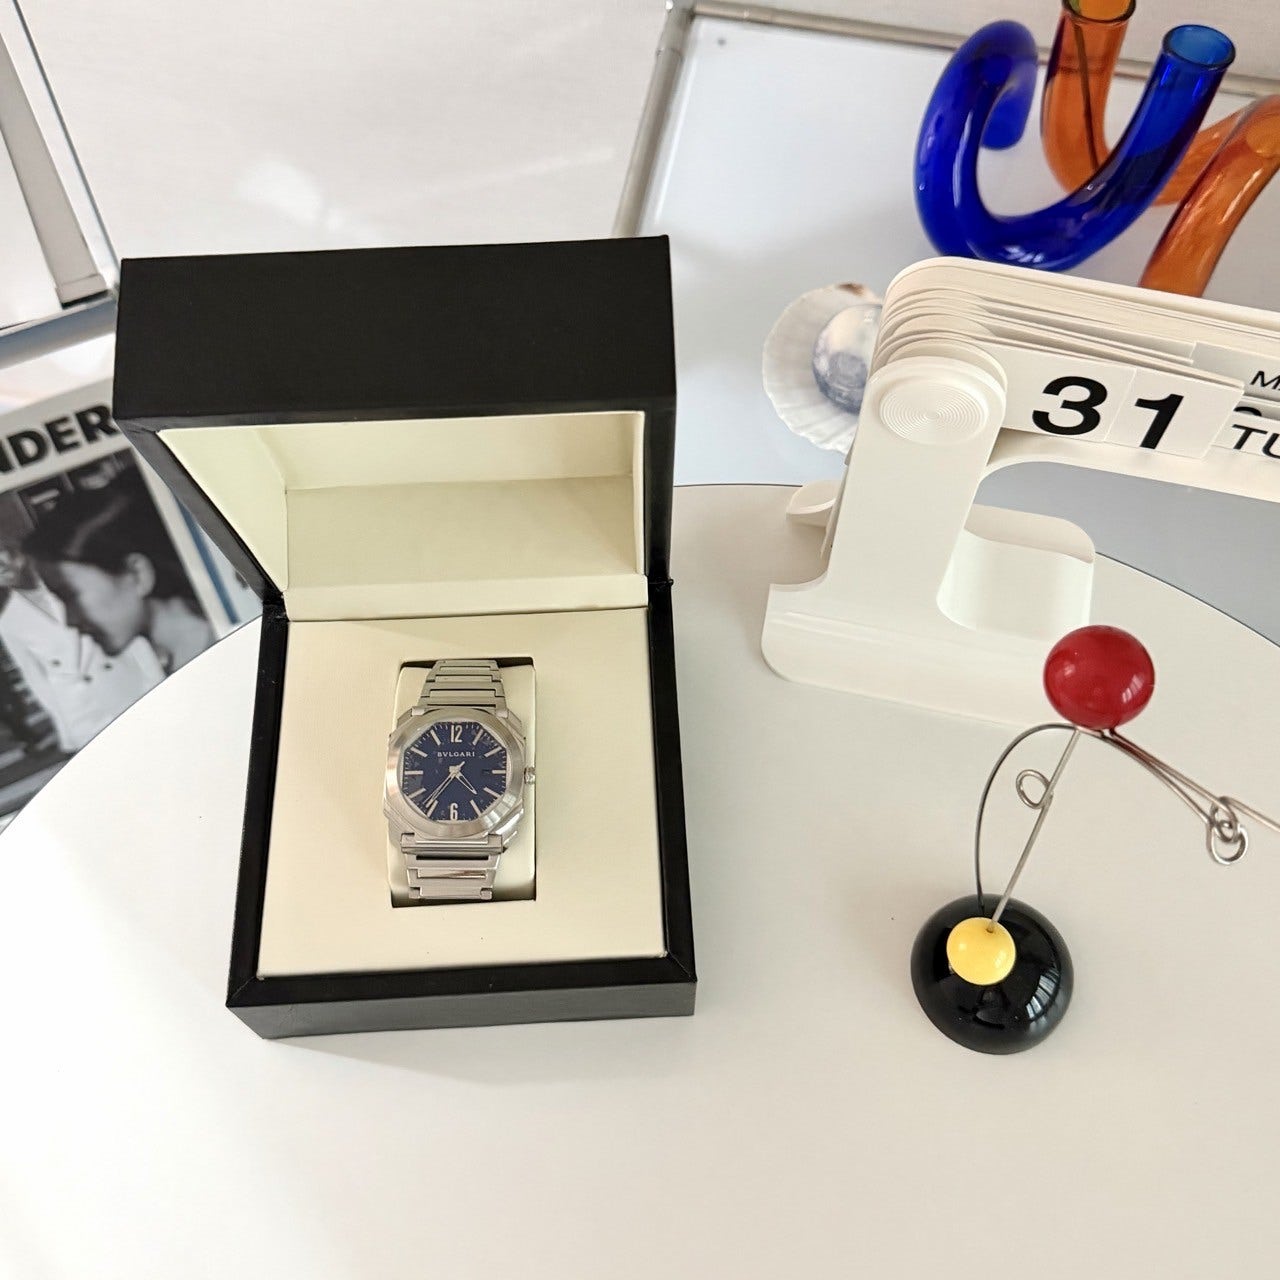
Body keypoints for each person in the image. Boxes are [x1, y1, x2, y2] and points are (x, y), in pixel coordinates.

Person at [23, 478, 214, 678]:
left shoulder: (212, 660)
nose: (70, 621)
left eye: (70, 595)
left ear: (137, 574)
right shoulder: (184, 656)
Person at [0, 541, 166, 753]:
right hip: (83, 714)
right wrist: (67, 729)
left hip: (127, 689)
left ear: (12, 550)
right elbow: (37, 680)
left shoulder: (67, 581)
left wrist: (156, 679)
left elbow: (130, 632)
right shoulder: (8, 621)